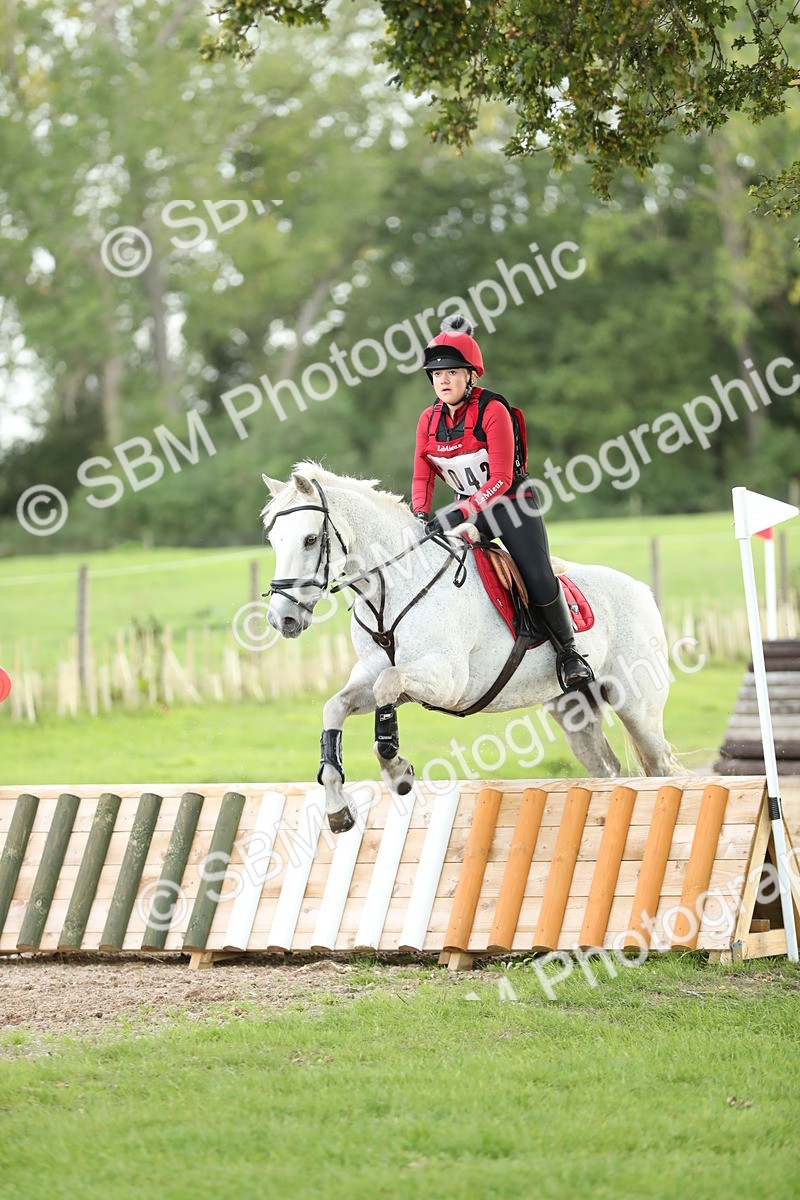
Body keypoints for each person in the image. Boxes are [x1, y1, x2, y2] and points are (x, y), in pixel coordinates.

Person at [411, 313, 593, 691]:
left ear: (470, 376)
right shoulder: (428, 421)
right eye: (436, 375)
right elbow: (422, 475)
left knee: (538, 575)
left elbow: (501, 479)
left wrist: (459, 512)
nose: (443, 380)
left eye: (452, 373)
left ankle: (570, 653)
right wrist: (420, 513)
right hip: (469, 510)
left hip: (511, 506)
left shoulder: (493, 410)